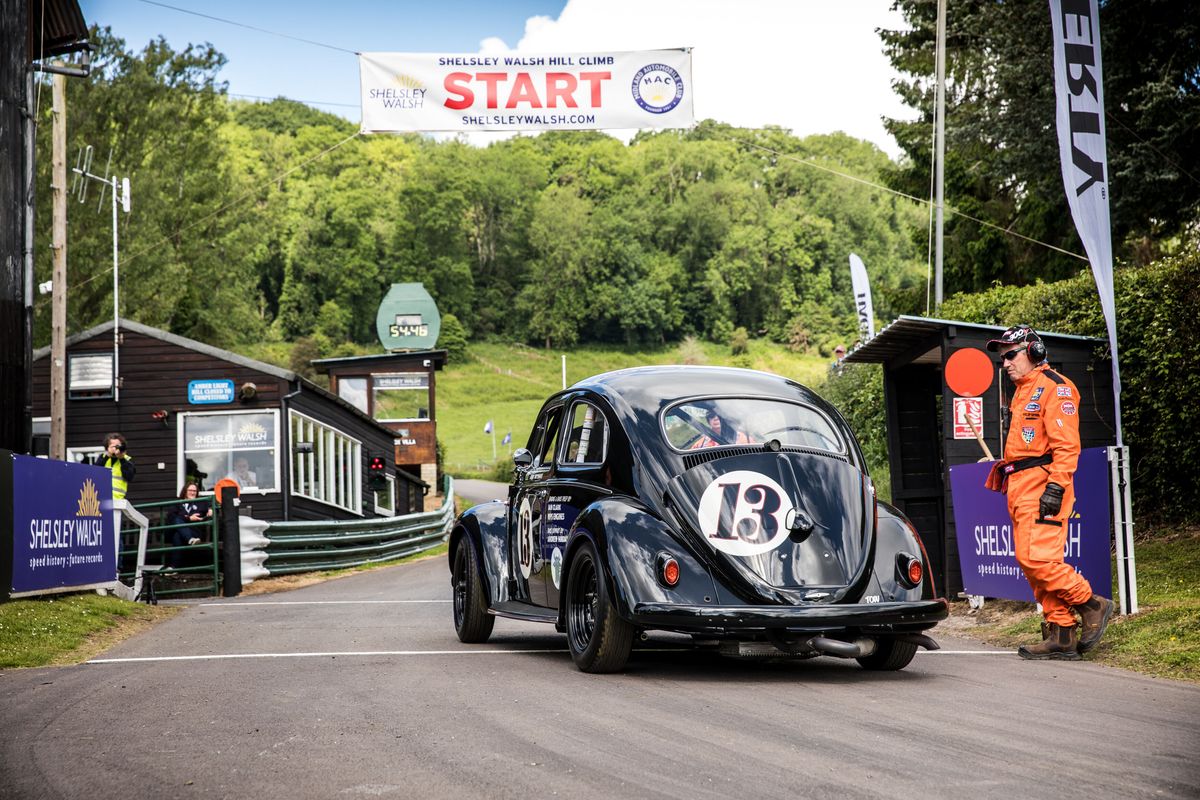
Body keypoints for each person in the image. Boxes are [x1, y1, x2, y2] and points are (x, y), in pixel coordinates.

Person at [985, 324, 1113, 660]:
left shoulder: (1057, 388)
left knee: (1036, 559)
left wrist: (1055, 488)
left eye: (1011, 355)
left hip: (1043, 487)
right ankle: (1062, 633)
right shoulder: (1021, 390)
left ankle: (1091, 603)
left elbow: (1067, 448)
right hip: (1020, 487)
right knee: (1031, 562)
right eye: (1002, 359)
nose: (1006, 363)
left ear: (1034, 352)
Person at [164, 482, 212, 568]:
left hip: (194, 532)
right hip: (175, 530)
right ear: (185, 491)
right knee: (177, 521)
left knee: (177, 535)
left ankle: (173, 567)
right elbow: (171, 516)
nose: (193, 493)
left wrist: (211, 509)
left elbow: (214, 507)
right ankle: (189, 539)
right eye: (190, 490)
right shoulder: (177, 502)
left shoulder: (201, 502)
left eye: (195, 491)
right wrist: (189, 518)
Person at [94, 432, 136, 501]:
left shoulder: (127, 459)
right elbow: (94, 473)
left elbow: (129, 477)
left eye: (117, 446)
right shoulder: (103, 458)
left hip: (118, 500)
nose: (115, 448)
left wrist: (121, 459)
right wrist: (107, 456)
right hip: (100, 499)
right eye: (112, 446)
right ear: (107, 447)